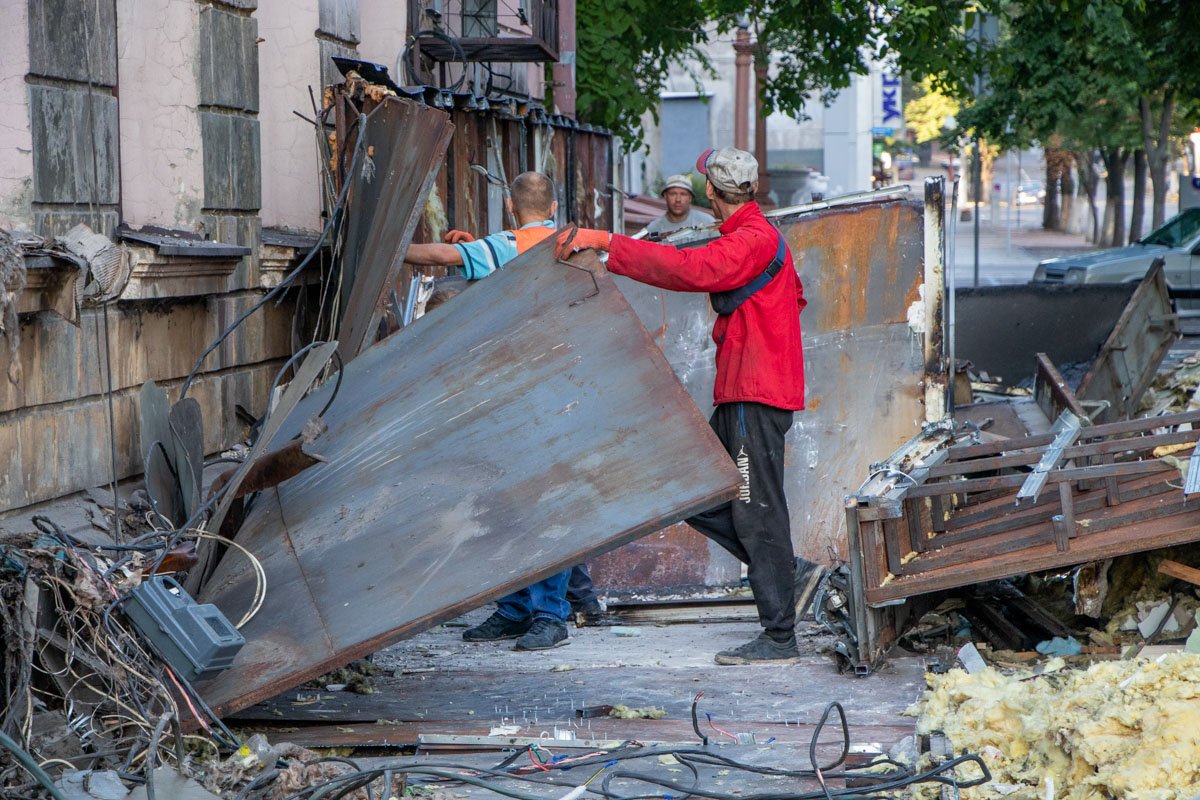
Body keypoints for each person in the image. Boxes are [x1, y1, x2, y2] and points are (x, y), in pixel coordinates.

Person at [557, 147, 824, 665]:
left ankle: (779, 636)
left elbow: (686, 269)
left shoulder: (752, 240)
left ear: (710, 192)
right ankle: (787, 572)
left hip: (755, 393)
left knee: (757, 513)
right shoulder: (749, 236)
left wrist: (607, 242)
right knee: (697, 494)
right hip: (742, 390)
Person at [406, 171, 595, 650]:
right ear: (553, 208)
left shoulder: (502, 248)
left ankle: (547, 615)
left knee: (517, 502)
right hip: (564, 384)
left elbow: (441, 257)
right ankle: (519, 611)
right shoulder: (575, 245)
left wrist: (388, 249)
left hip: (517, 388)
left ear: (511, 208)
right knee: (536, 499)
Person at [644, 174, 714, 236]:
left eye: (683, 194)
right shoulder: (654, 229)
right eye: (673, 194)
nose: (678, 200)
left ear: (690, 198)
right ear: (665, 196)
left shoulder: (707, 222)